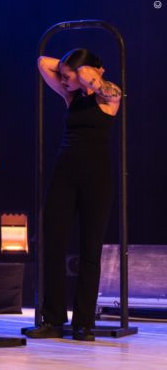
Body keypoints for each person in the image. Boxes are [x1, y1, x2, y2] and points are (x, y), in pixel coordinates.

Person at [25, 48, 122, 342]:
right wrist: (70, 68)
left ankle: (83, 323)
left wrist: (82, 71)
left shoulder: (109, 97)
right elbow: (42, 62)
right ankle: (53, 318)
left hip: (96, 179)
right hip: (64, 176)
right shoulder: (71, 96)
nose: (64, 80)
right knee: (52, 244)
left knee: (90, 250)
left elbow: (95, 81)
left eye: (69, 76)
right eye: (64, 76)